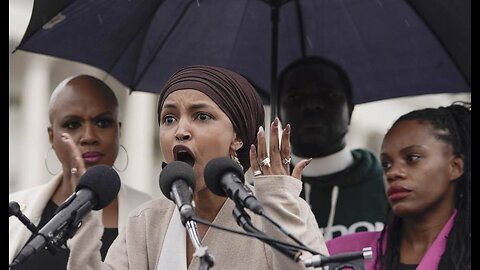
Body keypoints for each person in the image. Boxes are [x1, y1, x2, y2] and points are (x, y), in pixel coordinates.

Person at [64, 65, 328, 270]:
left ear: (237, 137)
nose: (180, 131)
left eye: (202, 116)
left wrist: (278, 199)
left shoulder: (272, 211)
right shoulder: (146, 222)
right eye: (169, 118)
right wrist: (85, 212)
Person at [9, 75, 152, 269]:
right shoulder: (15, 213)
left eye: (102, 123)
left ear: (118, 131)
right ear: (52, 136)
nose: (89, 137)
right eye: (72, 124)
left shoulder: (151, 216)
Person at [327, 102, 471, 269]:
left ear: (455, 167)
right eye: (386, 164)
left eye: (412, 158)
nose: (393, 172)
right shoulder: (342, 255)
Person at [277, 56, 389, 240]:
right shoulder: (259, 196)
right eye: (295, 97)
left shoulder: (389, 187)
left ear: (350, 110)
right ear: (279, 114)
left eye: (328, 95)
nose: (312, 105)